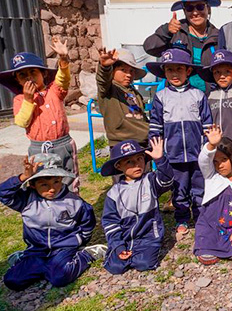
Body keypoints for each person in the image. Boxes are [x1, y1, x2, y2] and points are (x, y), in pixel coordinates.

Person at [0, 154, 106, 291]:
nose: (52, 189)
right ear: (32, 185)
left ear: (61, 179)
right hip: (37, 250)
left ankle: (87, 254)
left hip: (63, 248)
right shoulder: (25, 201)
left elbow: (87, 222)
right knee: (12, 281)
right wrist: (23, 177)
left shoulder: (74, 202)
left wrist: (79, 240)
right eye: (44, 184)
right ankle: (25, 258)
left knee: (59, 277)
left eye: (56, 182)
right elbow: (3, 192)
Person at [0, 39, 80, 193]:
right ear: (17, 80)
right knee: (42, 180)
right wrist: (29, 100)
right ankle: (47, 208)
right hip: (38, 147)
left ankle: (72, 205)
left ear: (43, 73)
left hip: (62, 144)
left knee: (69, 176)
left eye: (33, 72)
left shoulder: (54, 90)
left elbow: (63, 79)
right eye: (23, 75)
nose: (29, 77)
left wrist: (63, 59)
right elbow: (22, 121)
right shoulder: (19, 99)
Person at [147, 48, 212, 234]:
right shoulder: (161, 97)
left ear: (188, 71)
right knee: (179, 188)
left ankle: (201, 217)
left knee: (199, 186)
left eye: (179, 69)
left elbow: (207, 123)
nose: (174, 74)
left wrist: (209, 147)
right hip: (174, 154)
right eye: (169, 70)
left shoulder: (198, 95)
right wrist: (157, 148)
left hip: (197, 152)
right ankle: (182, 218)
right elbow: (155, 125)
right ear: (164, 72)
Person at [100, 138, 174, 274]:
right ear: (118, 166)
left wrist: (160, 160)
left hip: (148, 237)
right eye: (129, 162)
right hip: (124, 238)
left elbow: (167, 181)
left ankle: (147, 251)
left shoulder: (150, 180)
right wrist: (118, 246)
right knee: (115, 267)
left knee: (144, 264)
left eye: (140, 159)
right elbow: (110, 222)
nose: (137, 164)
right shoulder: (114, 193)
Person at [143, 0, 222, 91]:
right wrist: (166, 31)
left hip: (209, 97)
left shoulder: (219, 35)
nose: (195, 12)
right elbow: (149, 47)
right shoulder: (174, 32)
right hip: (177, 96)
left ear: (208, 8)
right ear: (184, 11)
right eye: (189, 8)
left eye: (200, 6)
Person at [194, 126, 232, 264]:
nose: (220, 165)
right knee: (205, 239)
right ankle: (208, 247)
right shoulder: (211, 176)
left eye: (224, 160)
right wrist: (211, 145)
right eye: (215, 161)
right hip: (211, 224)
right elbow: (203, 161)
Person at [96, 48, 149, 148]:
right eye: (123, 70)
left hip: (142, 144)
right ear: (112, 71)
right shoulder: (109, 90)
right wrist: (105, 67)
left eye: (131, 71)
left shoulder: (135, 94)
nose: (128, 75)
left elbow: (142, 119)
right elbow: (102, 80)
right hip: (122, 145)